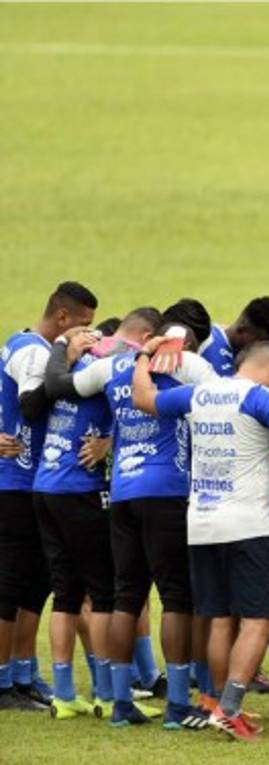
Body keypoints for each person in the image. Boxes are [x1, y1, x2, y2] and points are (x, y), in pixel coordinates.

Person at [133, 339, 269, 741]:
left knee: (219, 618)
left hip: (201, 521)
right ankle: (230, 709)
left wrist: (143, 356)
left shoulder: (199, 393)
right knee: (260, 621)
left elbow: (144, 398)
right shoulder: (258, 397)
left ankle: (219, 703)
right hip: (246, 526)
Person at [44, 317, 217, 729]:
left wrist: (64, 345)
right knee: (177, 599)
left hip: (122, 493)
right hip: (167, 492)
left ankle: (120, 702)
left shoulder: (109, 368)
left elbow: (61, 386)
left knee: (126, 597)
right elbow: (222, 396)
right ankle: (177, 704)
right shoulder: (187, 365)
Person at [34, 309, 160, 724]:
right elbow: (135, 415)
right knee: (104, 593)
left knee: (66, 594)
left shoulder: (74, 364)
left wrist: (60, 347)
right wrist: (108, 440)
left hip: (45, 486)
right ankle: (108, 693)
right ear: (143, 336)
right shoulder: (117, 367)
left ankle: (65, 694)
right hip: (79, 490)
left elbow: (53, 391)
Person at [0, 281, 97, 712]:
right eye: (82, 325)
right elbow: (31, 407)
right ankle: (4, 683)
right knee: (10, 585)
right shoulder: (35, 351)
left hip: (34, 481)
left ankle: (22, 675)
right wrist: (67, 356)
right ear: (62, 318)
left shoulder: (31, 347)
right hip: (14, 483)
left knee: (34, 585)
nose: (86, 335)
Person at [197, 297, 269, 377]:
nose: (261, 351)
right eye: (258, 343)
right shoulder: (208, 346)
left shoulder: (237, 352)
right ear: (242, 328)